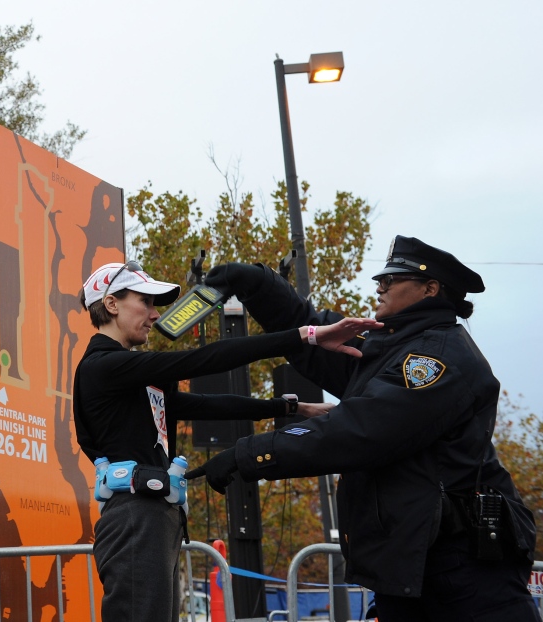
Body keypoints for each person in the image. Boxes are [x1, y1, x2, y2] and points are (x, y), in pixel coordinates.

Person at [187, 236, 540, 622]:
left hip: (462, 574)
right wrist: (260, 284)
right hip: (417, 566)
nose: (380, 286)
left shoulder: (436, 357)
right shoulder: (392, 346)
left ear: (430, 289)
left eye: (393, 279)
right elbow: (317, 335)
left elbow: (359, 430)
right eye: (381, 279)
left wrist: (253, 452)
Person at [73, 261, 380, 622]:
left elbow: (205, 405)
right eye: (146, 302)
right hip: (134, 514)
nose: (155, 315)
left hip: (154, 513)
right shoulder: (103, 366)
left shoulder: (130, 376)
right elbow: (203, 359)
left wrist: (292, 406)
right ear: (111, 304)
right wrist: (307, 335)